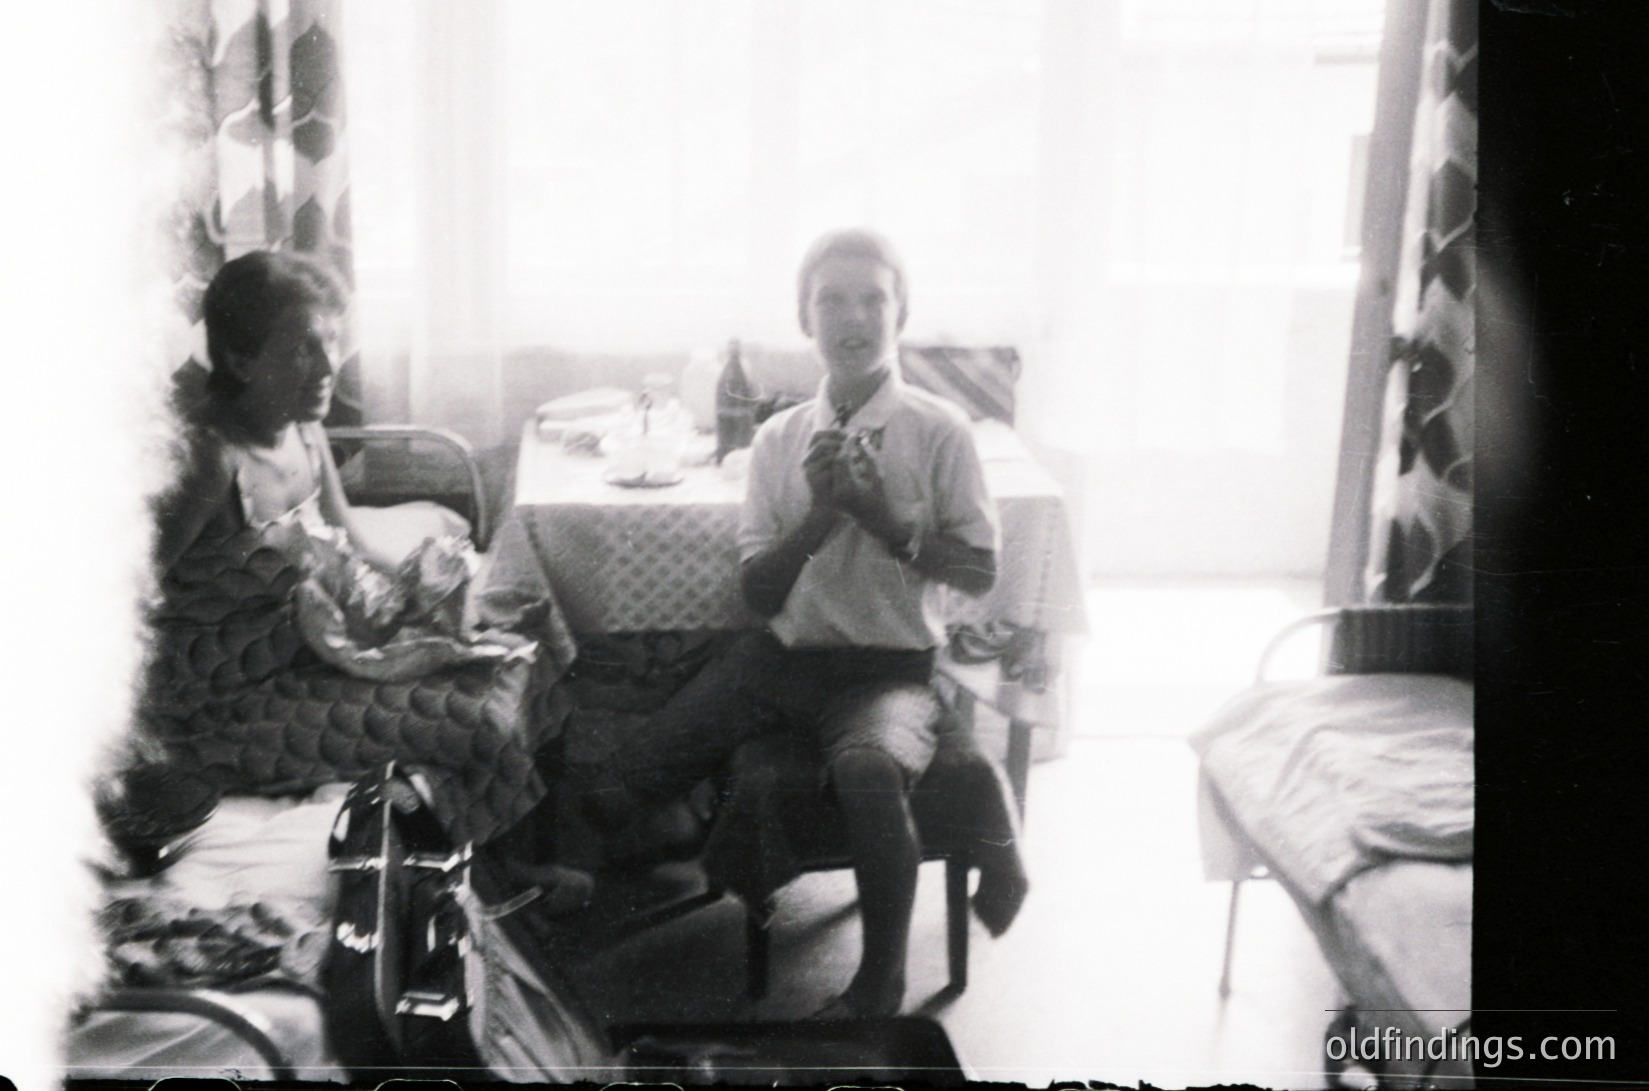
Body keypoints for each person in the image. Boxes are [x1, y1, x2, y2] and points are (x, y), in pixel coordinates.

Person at [589, 229, 1029, 1017]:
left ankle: (877, 984)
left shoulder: (940, 431)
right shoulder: (778, 438)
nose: (852, 316)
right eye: (831, 298)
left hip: (888, 668)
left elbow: (980, 570)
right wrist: (824, 515)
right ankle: (576, 913)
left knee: (867, 768)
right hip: (783, 660)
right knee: (636, 764)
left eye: (873, 298)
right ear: (803, 317)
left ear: (902, 313)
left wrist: (887, 521)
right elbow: (759, 594)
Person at [143, 249, 591, 912]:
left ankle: (494, 862)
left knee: (522, 638)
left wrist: (444, 597)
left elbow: (351, 540)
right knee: (476, 723)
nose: (329, 366)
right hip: (220, 704)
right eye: (302, 348)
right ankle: (479, 889)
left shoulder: (301, 427)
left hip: (304, 645)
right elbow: (127, 593)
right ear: (239, 361)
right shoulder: (210, 460)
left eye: (331, 341)